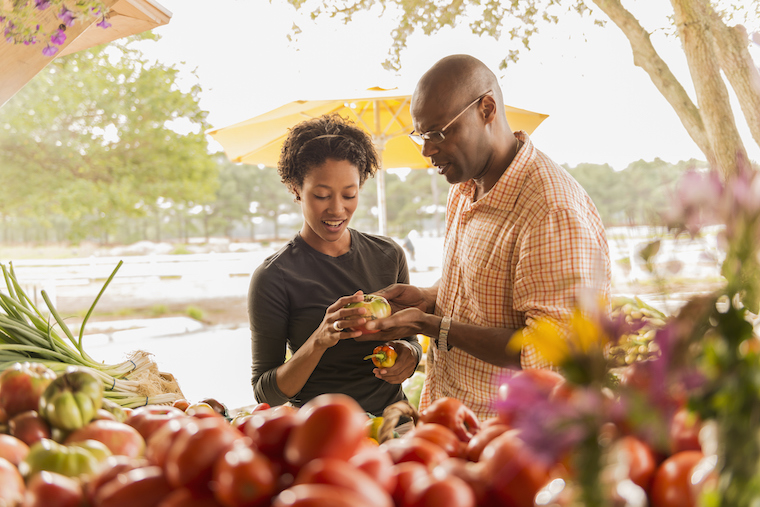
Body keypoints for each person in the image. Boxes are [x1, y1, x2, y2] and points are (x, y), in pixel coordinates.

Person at [363, 55, 611, 420]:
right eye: (421, 135)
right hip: (448, 427)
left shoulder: (550, 208)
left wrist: (430, 325)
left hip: (508, 444)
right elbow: (483, 293)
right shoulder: (464, 187)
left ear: (487, 109)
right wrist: (429, 298)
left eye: (438, 133)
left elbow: (552, 352)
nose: (427, 150)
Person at [248, 114, 422, 417]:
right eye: (322, 195)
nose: (337, 209)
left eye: (349, 195)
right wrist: (319, 340)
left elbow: (409, 339)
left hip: (393, 423)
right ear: (295, 189)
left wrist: (409, 355)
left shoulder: (389, 255)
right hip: (319, 432)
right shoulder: (274, 277)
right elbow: (266, 394)